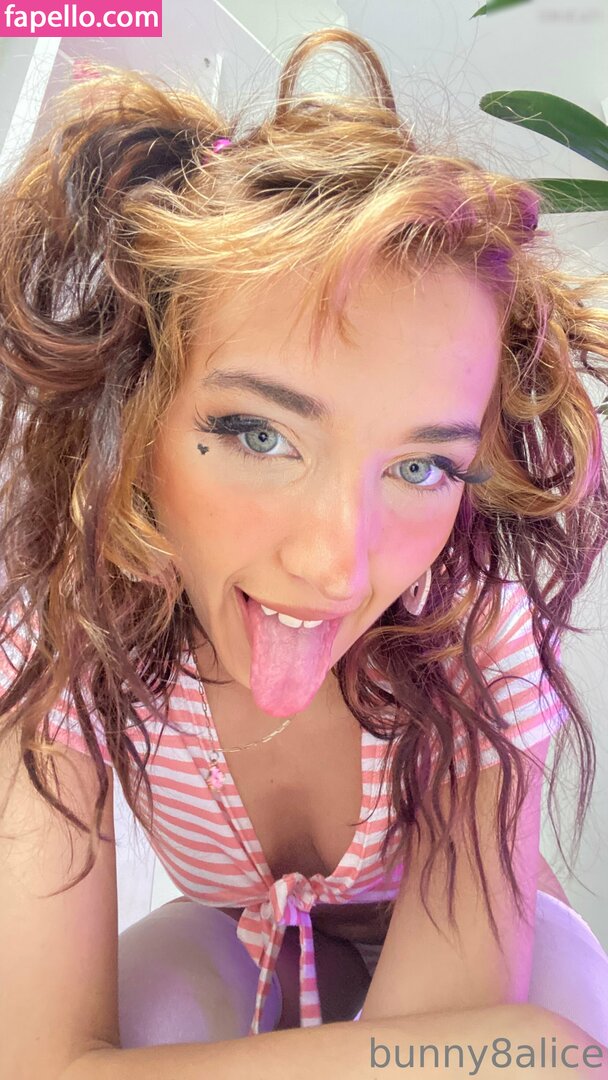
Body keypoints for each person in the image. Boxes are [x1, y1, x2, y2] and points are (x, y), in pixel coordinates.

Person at [1, 24, 608, 1080]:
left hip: (494, 957)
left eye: (420, 466)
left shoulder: (469, 638)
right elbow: (36, 1058)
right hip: (236, 946)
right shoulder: (66, 633)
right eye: (259, 434)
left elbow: (443, 1047)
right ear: (138, 412)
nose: (338, 566)